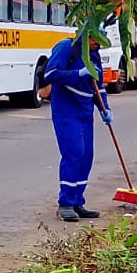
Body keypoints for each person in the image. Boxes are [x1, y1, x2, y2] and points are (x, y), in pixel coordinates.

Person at [45, 24, 110, 221]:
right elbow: (50, 74)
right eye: (94, 40)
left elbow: (99, 86)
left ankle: (77, 201)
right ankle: (65, 203)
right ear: (85, 35)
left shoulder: (94, 53)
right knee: (74, 152)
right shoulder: (66, 48)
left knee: (87, 156)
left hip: (85, 111)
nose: (96, 45)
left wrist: (105, 109)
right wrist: (78, 74)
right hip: (66, 111)